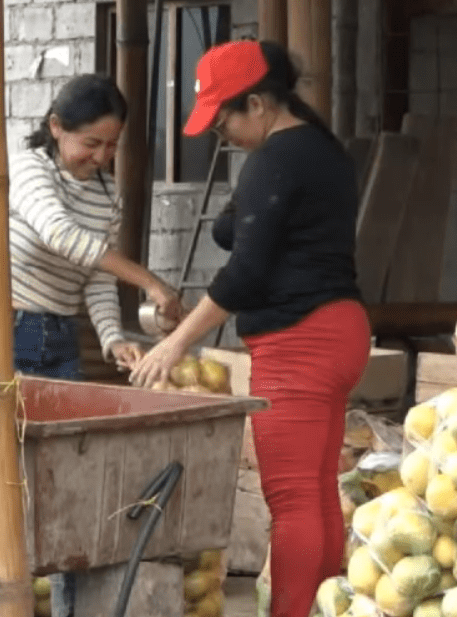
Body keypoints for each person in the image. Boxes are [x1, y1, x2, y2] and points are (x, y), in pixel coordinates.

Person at [128, 40, 372, 617]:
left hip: (300, 340)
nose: (223, 138)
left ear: (257, 104)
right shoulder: (321, 150)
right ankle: (321, 607)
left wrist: (175, 340)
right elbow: (241, 231)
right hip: (342, 328)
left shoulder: (277, 159)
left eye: (224, 123)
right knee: (315, 493)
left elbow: (246, 275)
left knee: (290, 501)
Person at [0, 73, 184, 378]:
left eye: (112, 145)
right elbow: (59, 234)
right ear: (56, 127)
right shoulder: (29, 168)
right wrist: (149, 282)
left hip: (62, 333)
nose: (102, 157)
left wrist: (113, 340)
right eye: (91, 143)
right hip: (7, 328)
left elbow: (99, 278)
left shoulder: (107, 196)